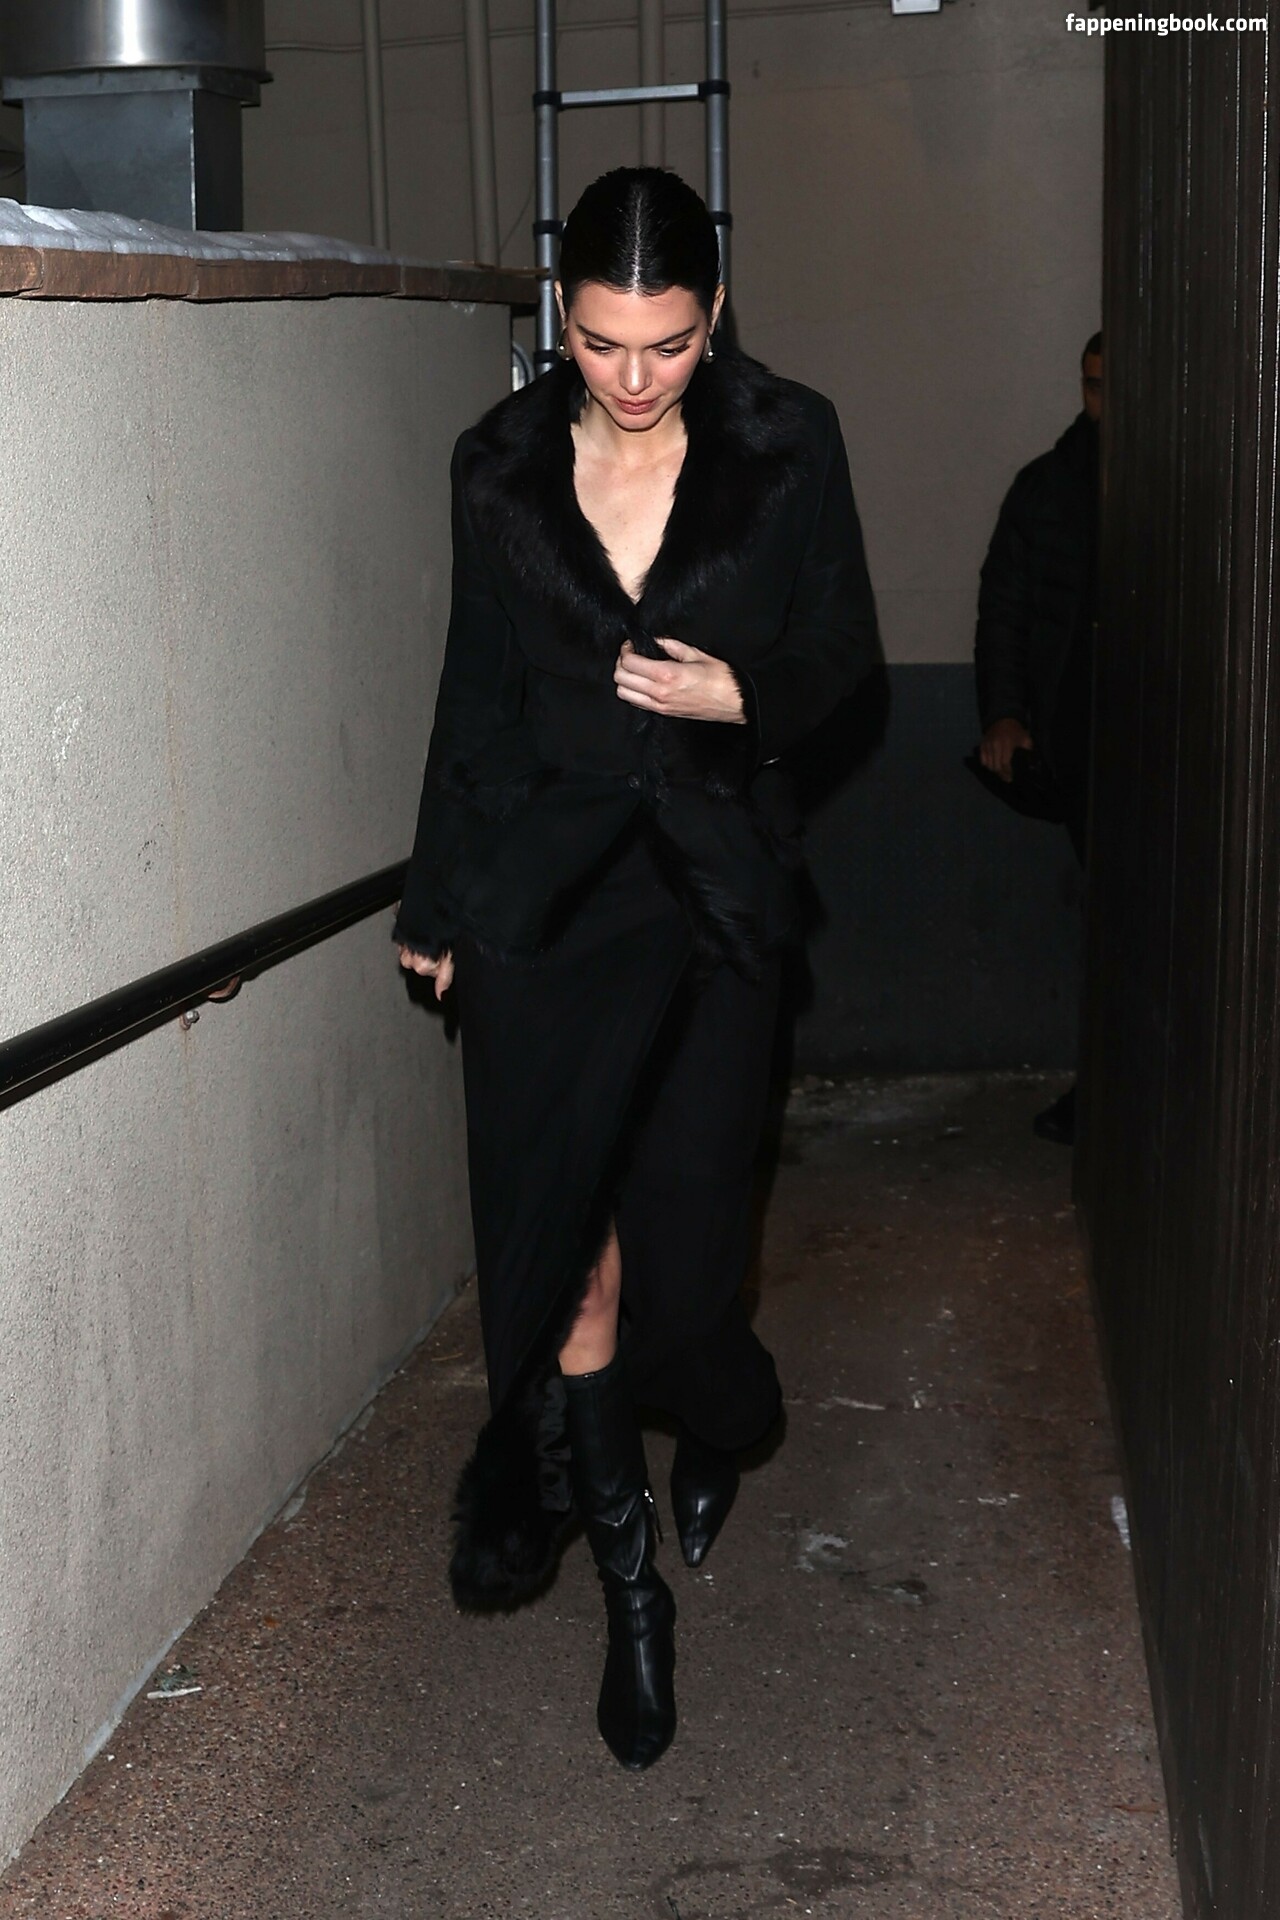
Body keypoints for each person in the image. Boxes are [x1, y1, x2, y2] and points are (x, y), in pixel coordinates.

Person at [393, 167, 879, 1771]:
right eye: (602, 340)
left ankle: (728, 1414)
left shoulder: (790, 444)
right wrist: (437, 896)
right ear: (562, 312)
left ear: (714, 314)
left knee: (687, 1268)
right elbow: (475, 687)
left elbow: (846, 655)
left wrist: (748, 696)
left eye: (668, 342)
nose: (634, 374)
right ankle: (631, 1590)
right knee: (573, 1265)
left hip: (716, 897)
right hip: (546, 906)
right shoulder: (498, 466)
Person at [973, 330, 1102, 1146]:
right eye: (1092, 384)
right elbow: (1007, 606)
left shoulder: (1180, 478)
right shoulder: (1050, 488)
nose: (1102, 402)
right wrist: (1005, 714)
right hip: (1081, 740)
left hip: (1163, 744)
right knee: (1111, 925)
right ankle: (1110, 1093)